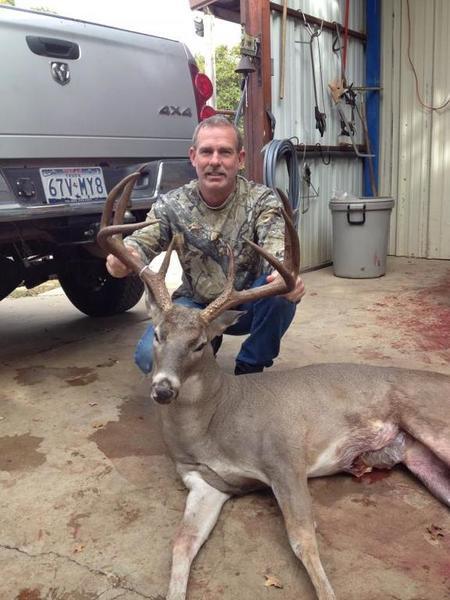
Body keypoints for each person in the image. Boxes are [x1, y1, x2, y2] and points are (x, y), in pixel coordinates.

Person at [106, 115, 305, 375]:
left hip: (245, 307)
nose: (214, 161)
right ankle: (204, 345)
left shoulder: (262, 201)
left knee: (281, 292)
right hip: (194, 306)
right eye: (206, 152)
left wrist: (285, 276)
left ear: (240, 159)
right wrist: (124, 257)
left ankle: (250, 368)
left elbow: (277, 248)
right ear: (193, 156)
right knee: (149, 359)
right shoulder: (172, 205)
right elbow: (143, 239)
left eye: (225, 152)